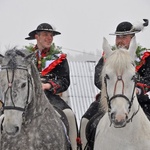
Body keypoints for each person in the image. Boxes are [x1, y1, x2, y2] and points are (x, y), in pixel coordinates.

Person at [79, 19, 150, 149]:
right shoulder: (108, 56)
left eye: (124, 37)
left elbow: (148, 77)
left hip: (138, 98)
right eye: (118, 37)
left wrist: (138, 88)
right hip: (110, 97)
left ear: (132, 38)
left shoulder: (144, 56)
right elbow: (97, 78)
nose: (120, 40)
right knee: (86, 120)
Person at [25, 23, 78, 150]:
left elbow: (64, 81)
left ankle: (75, 146)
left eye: (51, 35)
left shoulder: (60, 58)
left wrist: (48, 85)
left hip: (51, 97)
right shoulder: (26, 58)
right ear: (36, 37)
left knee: (69, 114)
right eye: (45, 35)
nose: (49, 38)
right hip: (28, 97)